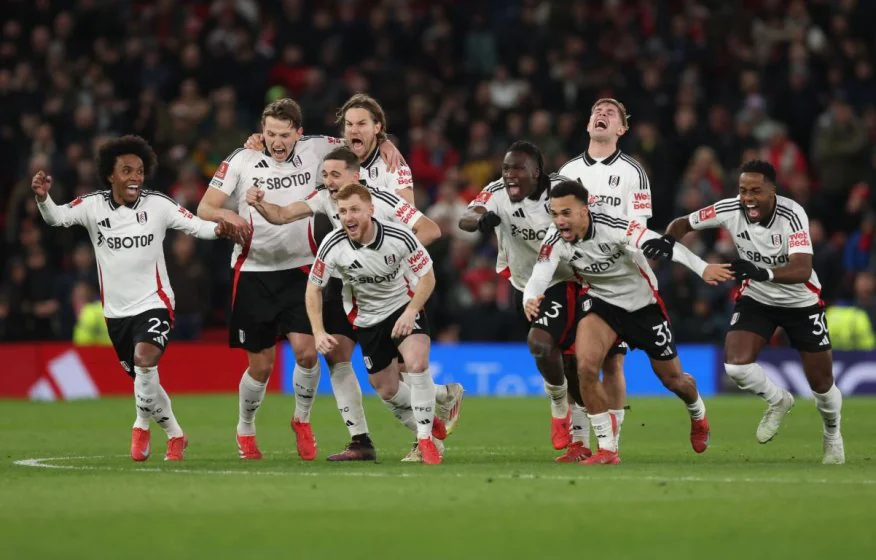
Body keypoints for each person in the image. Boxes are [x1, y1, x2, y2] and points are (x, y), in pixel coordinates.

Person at [197, 98, 402, 461]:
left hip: (302, 270)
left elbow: (357, 142)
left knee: (308, 354)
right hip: (252, 271)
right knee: (260, 367)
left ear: (299, 133)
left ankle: (302, 420)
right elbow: (205, 207)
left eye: (284, 134)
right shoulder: (242, 158)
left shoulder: (317, 148)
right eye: (270, 133)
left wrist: (385, 143)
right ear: (262, 131)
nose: (277, 141)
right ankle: (246, 427)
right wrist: (229, 217)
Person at [246, 147, 463, 462]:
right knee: (352, 365)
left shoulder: (385, 202)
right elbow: (282, 215)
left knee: (410, 366)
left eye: (335, 175)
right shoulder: (326, 203)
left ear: (356, 176)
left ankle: (428, 427)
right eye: (325, 175)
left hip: (393, 291)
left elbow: (430, 230)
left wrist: (391, 257)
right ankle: (365, 438)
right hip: (349, 290)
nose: (329, 181)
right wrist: (258, 202)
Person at [32, 135, 237, 462]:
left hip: (155, 303)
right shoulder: (92, 206)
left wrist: (219, 229)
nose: (135, 178)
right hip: (116, 314)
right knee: (146, 381)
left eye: (140, 171)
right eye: (127, 171)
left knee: (145, 360)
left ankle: (140, 426)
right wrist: (44, 198)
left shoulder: (158, 205)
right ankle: (176, 434)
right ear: (110, 175)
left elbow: (195, 225)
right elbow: (56, 217)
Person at [523, 180, 732, 464]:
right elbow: (539, 274)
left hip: (642, 305)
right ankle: (607, 449)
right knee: (586, 368)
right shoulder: (554, 239)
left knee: (673, 380)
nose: (559, 221)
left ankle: (697, 413)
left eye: (566, 213)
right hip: (600, 302)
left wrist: (703, 267)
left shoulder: (614, 225)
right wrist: (530, 298)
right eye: (555, 214)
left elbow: (662, 244)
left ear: (584, 211)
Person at [662, 160, 845, 464]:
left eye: (756, 191)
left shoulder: (792, 214)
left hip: (801, 302)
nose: (748, 198)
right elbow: (682, 223)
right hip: (758, 297)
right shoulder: (729, 208)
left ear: (773, 191)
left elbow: (802, 269)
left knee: (822, 384)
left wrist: (763, 272)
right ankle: (778, 400)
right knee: (736, 367)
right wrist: (668, 240)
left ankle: (832, 433)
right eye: (743, 190)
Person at [458, 141, 589, 462]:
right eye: (506, 169)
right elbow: (467, 217)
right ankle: (580, 441)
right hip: (521, 284)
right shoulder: (497, 191)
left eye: (518, 168)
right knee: (562, 360)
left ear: (537, 172)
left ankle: (559, 406)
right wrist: (480, 221)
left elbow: (589, 218)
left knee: (544, 346)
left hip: (562, 281)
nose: (510, 175)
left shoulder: (561, 191)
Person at [306, 183, 443, 464]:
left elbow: (428, 277)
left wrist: (411, 311)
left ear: (370, 210)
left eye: (354, 210)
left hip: (403, 307)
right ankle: (430, 418)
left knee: (417, 364)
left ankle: (426, 440)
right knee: (387, 390)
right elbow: (313, 289)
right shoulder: (332, 244)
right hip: (367, 318)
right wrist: (318, 331)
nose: (348, 217)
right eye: (343, 211)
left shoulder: (399, 236)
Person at [556, 98, 652, 447]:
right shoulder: (568, 171)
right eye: (597, 111)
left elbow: (638, 228)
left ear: (621, 129)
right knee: (573, 362)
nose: (602, 114)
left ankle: (612, 439)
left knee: (612, 362)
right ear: (588, 124)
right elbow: (556, 222)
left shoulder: (633, 172)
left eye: (611, 113)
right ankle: (580, 442)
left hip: (615, 279)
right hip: (575, 277)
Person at [246, 93, 415, 203]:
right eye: (349, 124)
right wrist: (262, 138)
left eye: (362, 124)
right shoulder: (329, 149)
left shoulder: (392, 165)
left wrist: (385, 141)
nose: (354, 130)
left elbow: (410, 218)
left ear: (377, 127)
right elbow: (287, 136)